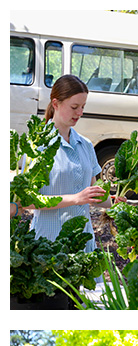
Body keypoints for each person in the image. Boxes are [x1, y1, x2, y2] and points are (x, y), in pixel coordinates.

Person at [26, 74, 120, 253]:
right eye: (74, 107)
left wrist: (114, 204)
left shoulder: (85, 145)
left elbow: (93, 192)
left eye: (83, 107)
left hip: (82, 244)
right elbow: (27, 201)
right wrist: (76, 199)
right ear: (56, 104)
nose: (80, 113)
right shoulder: (37, 145)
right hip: (48, 246)